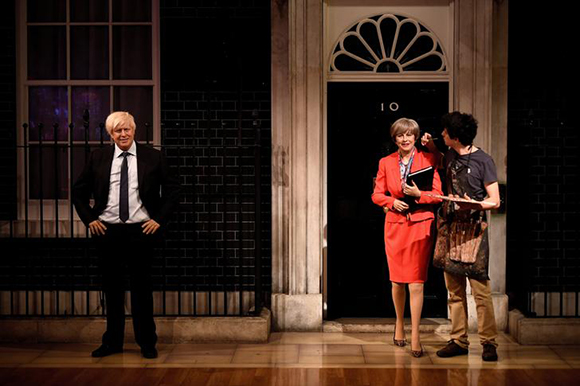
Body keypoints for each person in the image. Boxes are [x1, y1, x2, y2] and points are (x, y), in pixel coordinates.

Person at [72, 111, 180, 359]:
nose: (123, 134)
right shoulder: (98, 157)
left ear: (134, 130)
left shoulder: (153, 157)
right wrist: (90, 219)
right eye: (117, 131)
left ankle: (147, 343)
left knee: (142, 289)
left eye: (126, 129)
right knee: (112, 289)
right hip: (107, 231)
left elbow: (173, 191)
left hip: (141, 231)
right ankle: (112, 342)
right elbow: (78, 192)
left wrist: (158, 220)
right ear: (111, 134)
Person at [421, 111, 501, 362]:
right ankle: (459, 340)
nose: (441, 133)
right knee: (454, 290)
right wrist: (429, 143)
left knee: (480, 289)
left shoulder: (483, 160)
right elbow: (435, 146)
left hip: (473, 228)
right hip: (451, 227)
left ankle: (489, 343)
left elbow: (495, 201)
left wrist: (474, 205)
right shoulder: (451, 153)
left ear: (455, 137)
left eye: (445, 132)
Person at [372, 118, 442, 357]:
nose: (405, 139)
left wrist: (418, 194)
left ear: (415, 136)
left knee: (416, 282)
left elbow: (437, 195)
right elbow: (377, 195)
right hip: (395, 225)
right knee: (397, 281)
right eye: (400, 135)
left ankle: (415, 336)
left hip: (421, 225)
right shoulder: (385, 162)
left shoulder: (428, 159)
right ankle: (399, 324)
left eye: (409, 135)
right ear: (395, 139)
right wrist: (392, 202)